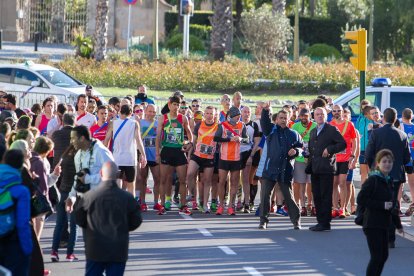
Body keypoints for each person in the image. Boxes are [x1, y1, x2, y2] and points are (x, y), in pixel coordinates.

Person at [75, 161, 142, 276]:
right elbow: (136, 220)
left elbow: (80, 219)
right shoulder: (127, 197)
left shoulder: (89, 196)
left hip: (95, 247)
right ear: (117, 175)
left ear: (101, 173)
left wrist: (91, 228)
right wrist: (124, 227)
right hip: (118, 247)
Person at [365, 107, 411, 247]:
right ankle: (390, 238)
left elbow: (368, 153)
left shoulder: (376, 133)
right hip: (396, 174)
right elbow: (406, 157)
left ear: (383, 118)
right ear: (395, 119)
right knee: (393, 205)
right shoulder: (402, 135)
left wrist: (373, 167)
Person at [357, 149, 403, 276]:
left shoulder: (389, 181)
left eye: (389, 161)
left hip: (384, 224)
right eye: (384, 161)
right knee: (377, 257)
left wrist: (398, 225)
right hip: (372, 223)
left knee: (383, 256)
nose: (387, 164)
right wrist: (381, 205)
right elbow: (361, 199)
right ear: (378, 163)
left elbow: (392, 205)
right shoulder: (373, 180)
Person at [258, 106, 303, 230]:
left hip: (285, 169)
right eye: (281, 118)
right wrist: (265, 111)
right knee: (265, 196)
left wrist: (296, 151)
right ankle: (263, 221)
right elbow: (264, 122)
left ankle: (296, 221)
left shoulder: (294, 134)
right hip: (270, 168)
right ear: (276, 119)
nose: (283, 120)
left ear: (289, 120)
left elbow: (301, 148)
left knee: (289, 197)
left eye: (285, 118)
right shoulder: (270, 131)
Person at [307, 107, 346, 231]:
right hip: (315, 168)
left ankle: (325, 222)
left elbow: (342, 143)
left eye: (322, 114)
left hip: (326, 167)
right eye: (317, 114)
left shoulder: (331, 129)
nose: (319, 116)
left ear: (326, 116)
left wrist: (329, 149)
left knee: (325, 195)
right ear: (314, 116)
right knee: (317, 195)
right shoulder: (313, 131)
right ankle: (320, 221)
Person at [156, 95, 193, 215]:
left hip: (179, 151)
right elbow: (158, 137)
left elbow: (189, 133)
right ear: (169, 105)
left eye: (178, 105)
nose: (176, 107)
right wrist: (157, 153)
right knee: (164, 179)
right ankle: (162, 205)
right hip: (167, 150)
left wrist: (189, 143)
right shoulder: (163, 118)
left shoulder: (183, 118)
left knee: (183, 180)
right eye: (174, 104)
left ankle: (183, 205)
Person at [65, 125, 114, 213]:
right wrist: (71, 196)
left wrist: (89, 179)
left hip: (101, 201)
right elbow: (78, 177)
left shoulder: (101, 151)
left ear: (82, 138)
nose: (71, 142)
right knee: (81, 226)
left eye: (73, 138)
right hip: (83, 202)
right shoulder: (78, 155)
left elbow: (112, 174)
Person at [50, 113, 78, 262]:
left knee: (60, 220)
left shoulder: (57, 134)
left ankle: (55, 250)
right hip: (73, 186)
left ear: (62, 122)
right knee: (74, 223)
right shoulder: (77, 139)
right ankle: (69, 253)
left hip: (59, 177)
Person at [0, 149, 32, 276]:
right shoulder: (21, 190)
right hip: (13, 243)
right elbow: (22, 223)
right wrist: (27, 249)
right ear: (21, 166)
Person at [104, 104, 147, 197]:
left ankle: (117, 207)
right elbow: (139, 140)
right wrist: (144, 155)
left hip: (117, 159)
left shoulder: (113, 123)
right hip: (130, 159)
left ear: (120, 112)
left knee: (117, 185)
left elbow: (106, 140)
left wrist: (104, 155)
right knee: (131, 185)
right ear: (131, 113)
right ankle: (131, 208)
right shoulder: (134, 123)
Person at [214, 107, 248, 215]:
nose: (237, 119)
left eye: (239, 117)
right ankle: (220, 205)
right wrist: (229, 139)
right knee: (222, 182)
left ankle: (230, 206)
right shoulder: (222, 125)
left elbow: (247, 139)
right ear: (230, 116)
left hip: (236, 158)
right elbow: (216, 138)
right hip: (224, 157)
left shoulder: (242, 125)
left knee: (234, 182)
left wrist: (241, 139)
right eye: (236, 117)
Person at [186, 106, 218, 213]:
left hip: (209, 157)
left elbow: (220, 142)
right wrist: (190, 154)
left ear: (214, 115)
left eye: (211, 113)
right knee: (190, 174)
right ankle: (191, 194)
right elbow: (194, 141)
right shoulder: (199, 125)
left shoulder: (218, 127)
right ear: (204, 114)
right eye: (207, 113)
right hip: (197, 155)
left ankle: (205, 204)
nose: (209, 115)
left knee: (207, 181)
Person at [30, 136, 61, 240]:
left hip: (29, 197)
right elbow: (45, 183)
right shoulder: (41, 162)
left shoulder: (28, 158)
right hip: (38, 200)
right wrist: (55, 175)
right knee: (36, 236)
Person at [330, 105, 358, 218]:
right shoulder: (330, 125)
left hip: (345, 158)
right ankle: (334, 208)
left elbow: (355, 142)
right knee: (334, 184)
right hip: (333, 159)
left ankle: (343, 208)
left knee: (342, 183)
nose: (336, 112)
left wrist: (353, 156)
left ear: (342, 112)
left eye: (339, 111)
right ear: (332, 112)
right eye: (334, 111)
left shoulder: (349, 124)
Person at [291, 108, 316, 216]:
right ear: (299, 117)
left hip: (313, 159)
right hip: (299, 158)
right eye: (302, 116)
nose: (303, 118)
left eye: (305, 116)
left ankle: (313, 205)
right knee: (301, 183)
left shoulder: (315, 125)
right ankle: (303, 206)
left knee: (312, 183)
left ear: (309, 116)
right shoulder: (295, 127)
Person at [138, 104, 160, 211]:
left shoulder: (157, 123)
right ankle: (142, 202)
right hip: (143, 155)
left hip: (154, 155)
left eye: (154, 112)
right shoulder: (140, 123)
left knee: (157, 178)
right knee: (143, 179)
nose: (151, 114)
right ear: (145, 111)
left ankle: (156, 202)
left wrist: (158, 154)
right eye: (150, 111)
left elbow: (160, 139)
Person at [239, 106, 261, 213]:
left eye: (248, 112)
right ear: (241, 113)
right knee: (233, 180)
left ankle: (247, 203)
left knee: (246, 180)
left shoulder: (254, 125)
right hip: (234, 154)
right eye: (244, 112)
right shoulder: (236, 124)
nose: (246, 114)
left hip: (247, 154)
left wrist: (251, 155)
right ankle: (235, 202)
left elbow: (257, 141)